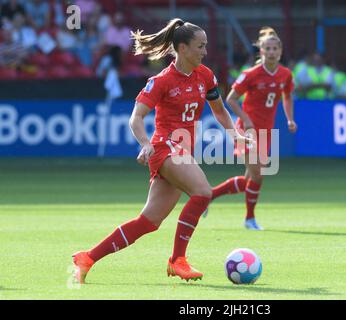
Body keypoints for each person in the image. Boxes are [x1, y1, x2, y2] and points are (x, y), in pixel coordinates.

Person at [71, 18, 251, 284]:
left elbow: (220, 110)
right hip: (165, 147)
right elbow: (136, 118)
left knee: (148, 222)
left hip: (183, 151)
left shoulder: (206, 75)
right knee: (202, 192)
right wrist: (145, 143)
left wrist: (234, 134)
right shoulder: (162, 80)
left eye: (205, 46)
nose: (204, 51)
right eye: (200, 46)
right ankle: (177, 260)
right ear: (182, 48)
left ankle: (88, 257)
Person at [204, 27, 297, 230]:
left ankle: (208, 195)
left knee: (249, 179)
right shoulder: (250, 74)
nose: (271, 52)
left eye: (275, 48)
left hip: (266, 131)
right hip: (247, 131)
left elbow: (288, 96)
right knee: (258, 175)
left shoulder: (285, 75)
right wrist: (245, 119)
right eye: (267, 48)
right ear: (261, 51)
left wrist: (290, 119)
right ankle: (249, 219)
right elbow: (231, 99)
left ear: (280, 51)